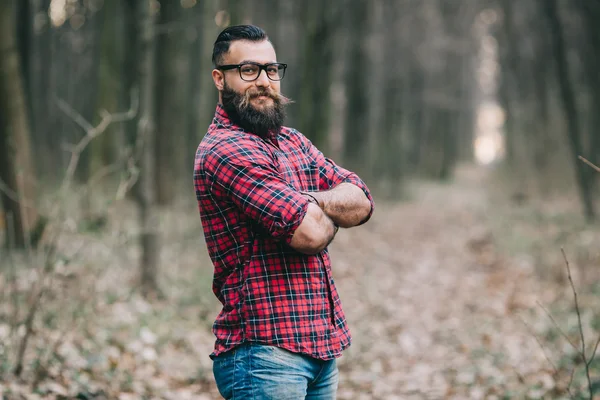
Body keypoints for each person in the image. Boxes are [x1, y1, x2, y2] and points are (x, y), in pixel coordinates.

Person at [193, 24, 374, 400]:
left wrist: (306, 198)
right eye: (248, 70)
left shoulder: (293, 142)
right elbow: (309, 234)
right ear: (219, 78)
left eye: (271, 70)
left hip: (320, 348)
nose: (263, 81)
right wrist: (323, 207)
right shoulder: (225, 151)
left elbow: (361, 201)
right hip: (263, 355)